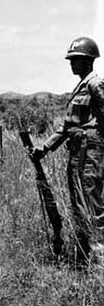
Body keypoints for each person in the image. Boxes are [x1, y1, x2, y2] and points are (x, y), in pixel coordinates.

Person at [33, 37, 104, 267]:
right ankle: (83, 260)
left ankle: (99, 261)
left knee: (92, 205)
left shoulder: (95, 84)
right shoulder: (81, 86)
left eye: (77, 60)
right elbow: (66, 125)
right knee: (78, 205)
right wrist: (44, 148)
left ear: (89, 61)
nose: (72, 63)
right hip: (77, 152)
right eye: (71, 60)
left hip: (90, 153)